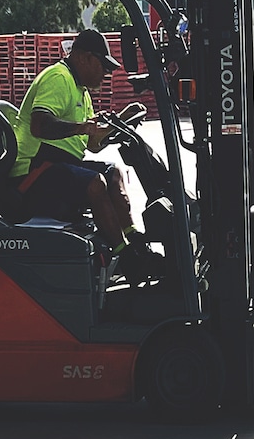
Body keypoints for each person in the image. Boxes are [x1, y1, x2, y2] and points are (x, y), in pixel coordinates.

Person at [9, 28, 162, 281]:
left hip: (57, 165)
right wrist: (82, 127)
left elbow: (92, 144)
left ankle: (135, 243)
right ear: (83, 57)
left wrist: (119, 121)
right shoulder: (58, 78)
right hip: (34, 170)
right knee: (95, 183)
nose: (106, 73)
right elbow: (40, 126)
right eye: (103, 65)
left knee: (114, 173)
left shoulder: (81, 91)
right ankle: (127, 258)